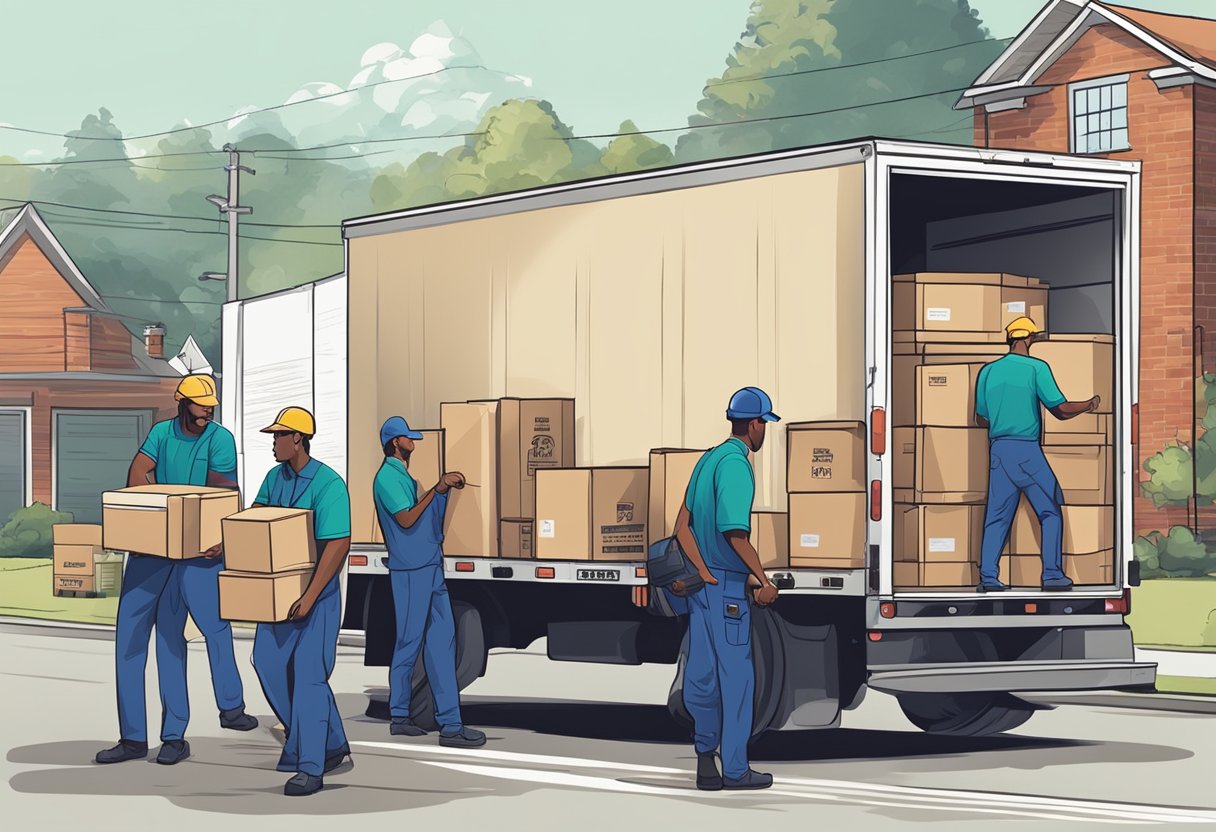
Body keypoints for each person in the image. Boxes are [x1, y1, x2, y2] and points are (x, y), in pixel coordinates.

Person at [96, 374, 257, 767]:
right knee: (128, 643)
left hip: (197, 553)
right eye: (201, 405)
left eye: (210, 406)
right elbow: (138, 474)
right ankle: (132, 737)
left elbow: (222, 490)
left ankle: (177, 734)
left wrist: (216, 533)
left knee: (174, 640)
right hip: (152, 551)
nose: (208, 411)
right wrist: (153, 511)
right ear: (181, 402)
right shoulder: (161, 433)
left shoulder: (219, 439)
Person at [674, 386, 780, 792]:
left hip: (703, 589)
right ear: (754, 425)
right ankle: (735, 769)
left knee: (702, 675)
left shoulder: (707, 460)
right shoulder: (736, 464)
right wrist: (764, 580)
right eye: (764, 424)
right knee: (737, 680)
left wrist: (701, 570)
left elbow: (681, 526)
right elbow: (734, 533)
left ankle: (705, 760)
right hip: (728, 592)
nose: (764, 432)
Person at [249, 406, 353, 797]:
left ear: (298, 439)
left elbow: (338, 543)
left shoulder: (328, 484)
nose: (273, 443)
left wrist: (310, 596)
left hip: (318, 597)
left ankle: (311, 765)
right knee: (268, 664)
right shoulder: (274, 478)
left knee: (309, 677)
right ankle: (330, 743)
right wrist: (228, 543)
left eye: (279, 436)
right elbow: (256, 519)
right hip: (278, 596)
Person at [373, 416, 487, 748]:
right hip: (410, 571)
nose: (414, 442)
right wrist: (436, 489)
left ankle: (451, 724)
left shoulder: (405, 477)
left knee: (442, 645)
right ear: (396, 442)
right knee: (409, 643)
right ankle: (399, 717)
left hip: (430, 566)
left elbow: (423, 516)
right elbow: (407, 518)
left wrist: (443, 491)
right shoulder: (387, 478)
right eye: (409, 438)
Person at [975, 317, 1102, 592]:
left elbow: (980, 418)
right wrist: (1089, 404)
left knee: (997, 516)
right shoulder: (1036, 368)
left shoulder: (988, 371)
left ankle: (988, 577)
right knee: (1050, 510)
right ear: (1028, 339)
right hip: (1026, 450)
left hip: (998, 449)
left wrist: (1002, 418)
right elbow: (1061, 409)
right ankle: (1053, 575)